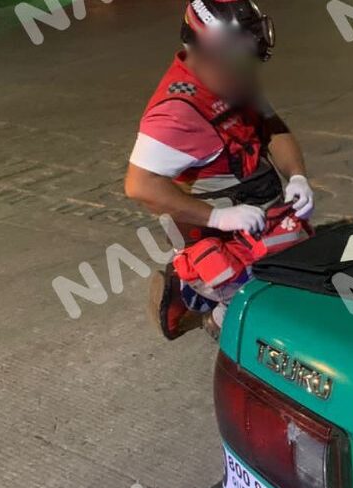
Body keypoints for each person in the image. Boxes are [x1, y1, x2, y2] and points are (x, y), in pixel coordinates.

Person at [125, 0, 313, 340]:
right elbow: (140, 186)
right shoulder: (176, 113)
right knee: (261, 309)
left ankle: (194, 295)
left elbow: (272, 127)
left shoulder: (230, 78)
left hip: (256, 210)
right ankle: (207, 310)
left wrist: (297, 174)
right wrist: (217, 218)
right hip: (217, 231)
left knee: (299, 265)